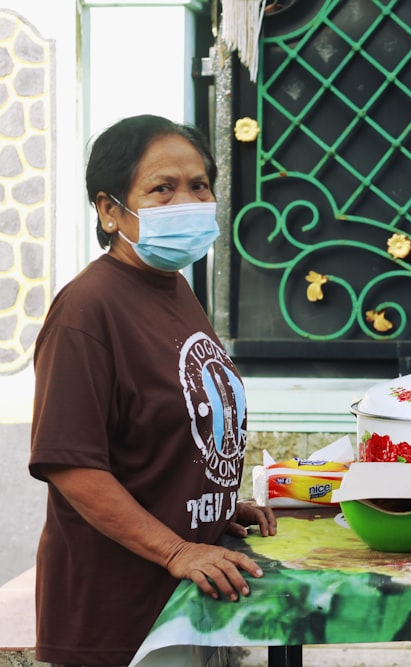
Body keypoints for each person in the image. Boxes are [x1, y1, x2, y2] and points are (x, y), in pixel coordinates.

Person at [29, 114, 277, 667]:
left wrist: (209, 508)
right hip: (123, 620)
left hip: (196, 601)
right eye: (162, 188)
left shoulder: (175, 289)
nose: (186, 200)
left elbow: (170, 425)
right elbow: (73, 466)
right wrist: (176, 548)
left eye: (198, 185)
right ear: (110, 210)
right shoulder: (87, 311)